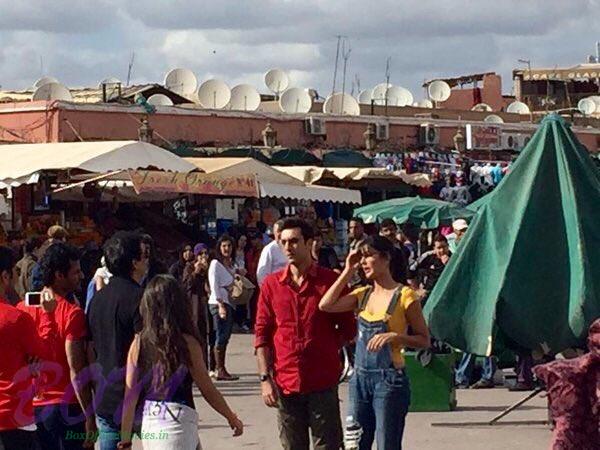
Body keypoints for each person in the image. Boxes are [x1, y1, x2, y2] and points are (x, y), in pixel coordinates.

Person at [320, 235, 430, 450]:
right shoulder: (362, 294)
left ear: (386, 258)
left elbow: (424, 340)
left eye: (368, 256)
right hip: (359, 380)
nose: (363, 262)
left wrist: (396, 337)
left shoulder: (405, 296)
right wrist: (348, 270)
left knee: (386, 444)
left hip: (389, 382)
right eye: (361, 257)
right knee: (354, 444)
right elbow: (326, 305)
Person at [255, 218, 356, 450]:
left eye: (294, 241)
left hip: (323, 381)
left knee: (328, 445)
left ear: (310, 243)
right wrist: (264, 379)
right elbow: (262, 334)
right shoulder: (272, 285)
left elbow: (349, 328)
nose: (288, 247)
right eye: (283, 242)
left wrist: (325, 346)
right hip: (286, 382)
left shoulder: (330, 282)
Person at [118, 275, 243, 449]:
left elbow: (130, 395)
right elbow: (207, 388)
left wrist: (125, 440)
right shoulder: (186, 343)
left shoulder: (138, 343)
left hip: (150, 422)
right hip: (177, 421)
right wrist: (230, 416)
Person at [17, 243, 96, 449]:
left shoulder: (22, 310)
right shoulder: (71, 313)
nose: (81, 276)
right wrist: (89, 415)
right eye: (75, 272)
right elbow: (76, 369)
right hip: (66, 407)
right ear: (59, 275)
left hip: (30, 407)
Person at [87, 231, 148, 450]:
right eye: (144, 255)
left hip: (105, 394)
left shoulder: (97, 300)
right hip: (141, 398)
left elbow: (90, 347)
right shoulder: (142, 299)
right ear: (134, 262)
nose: (146, 260)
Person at [0, 246, 58, 450]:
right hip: (13, 415)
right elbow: (46, 354)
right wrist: (48, 315)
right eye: (15, 271)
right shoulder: (15, 318)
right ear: (5, 276)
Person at [208, 235, 241, 381]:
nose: (226, 249)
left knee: (225, 336)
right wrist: (220, 304)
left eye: (229, 246)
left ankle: (219, 368)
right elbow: (213, 284)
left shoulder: (231, 265)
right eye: (224, 246)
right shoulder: (215, 263)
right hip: (219, 302)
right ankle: (219, 369)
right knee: (221, 335)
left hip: (229, 302)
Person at [30, 225, 69, 292]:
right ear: (62, 237)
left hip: (39, 285)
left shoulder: (43, 247)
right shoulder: (58, 250)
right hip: (52, 289)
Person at [256, 220, 288, 286]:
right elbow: (262, 273)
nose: (277, 235)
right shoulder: (269, 249)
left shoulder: (292, 247)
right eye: (275, 232)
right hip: (275, 287)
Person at [379, 219, 408, 284]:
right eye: (386, 230)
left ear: (395, 229)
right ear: (382, 232)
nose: (389, 232)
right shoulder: (380, 250)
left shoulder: (404, 248)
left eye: (391, 229)